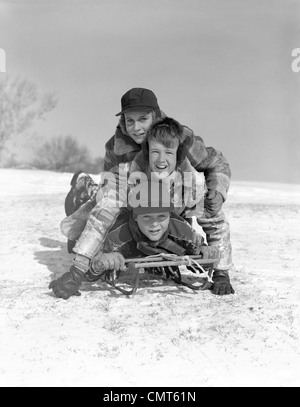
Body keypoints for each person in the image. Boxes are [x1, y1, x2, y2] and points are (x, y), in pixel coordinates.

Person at [61, 87, 232, 279]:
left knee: (174, 219)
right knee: (103, 203)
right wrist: (90, 258)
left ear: (156, 117)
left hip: (169, 198)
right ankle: (82, 190)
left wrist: (217, 190)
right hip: (134, 198)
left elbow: (215, 163)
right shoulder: (116, 148)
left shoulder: (179, 139)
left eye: (143, 119)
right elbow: (109, 202)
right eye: (130, 121)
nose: (136, 128)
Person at [49, 180, 234, 300]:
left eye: (161, 217)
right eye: (147, 217)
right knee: (82, 220)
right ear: (136, 217)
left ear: (170, 215)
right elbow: (90, 267)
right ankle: (83, 183)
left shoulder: (180, 229)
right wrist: (100, 262)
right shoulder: (118, 237)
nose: (155, 224)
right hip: (112, 222)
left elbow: (197, 249)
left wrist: (206, 254)